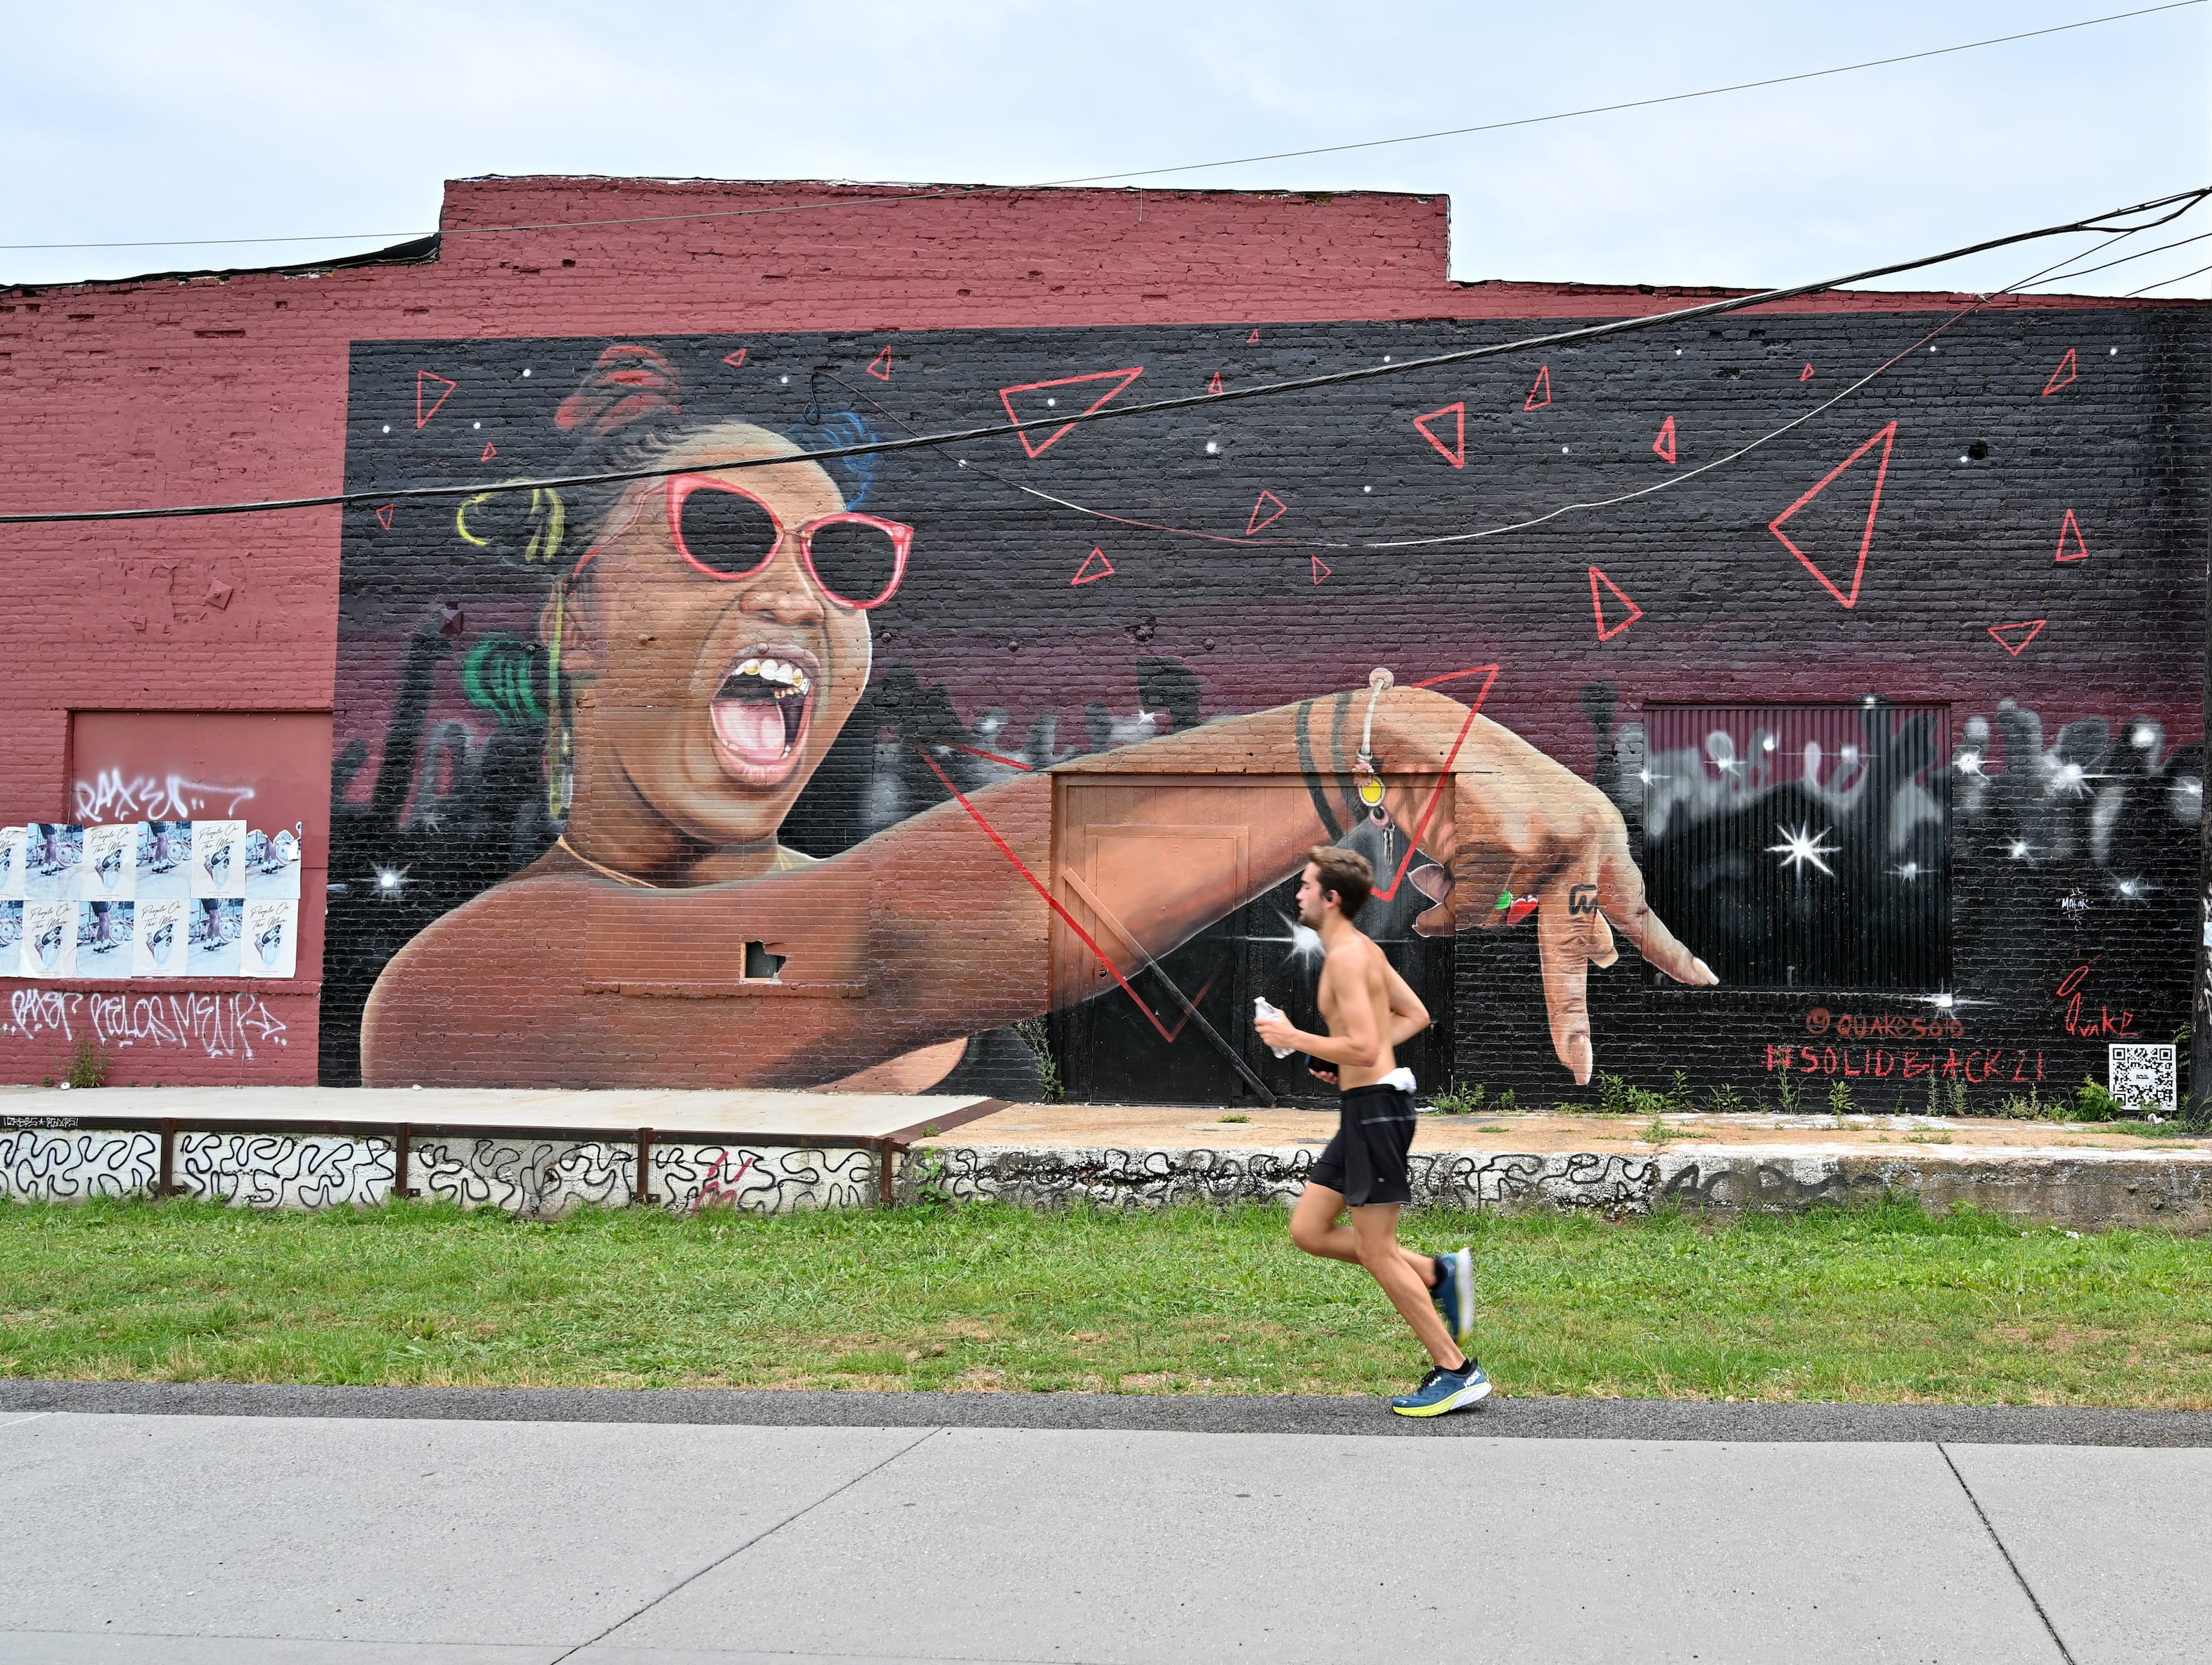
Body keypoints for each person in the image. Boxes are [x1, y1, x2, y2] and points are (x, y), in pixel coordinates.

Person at [363, 345, 1716, 1087]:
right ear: (581, 617)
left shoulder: (855, 883)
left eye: (841, 565)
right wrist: (1359, 738)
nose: (796, 595)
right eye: (720, 534)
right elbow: (882, 948)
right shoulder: (464, 982)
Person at [1258, 846, 1486, 1418]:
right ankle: (1438, 1272)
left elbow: (1364, 1042)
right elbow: (1413, 1017)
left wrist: (1295, 1036)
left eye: (1307, 886)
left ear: (1332, 898)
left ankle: (1457, 1371)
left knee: (1375, 1249)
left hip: (1377, 1113)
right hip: (1366, 1106)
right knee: (1310, 1229)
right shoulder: (1361, 950)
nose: (1299, 894)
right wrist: (1347, 1062)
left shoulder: (1346, 960)